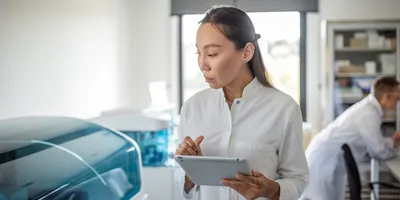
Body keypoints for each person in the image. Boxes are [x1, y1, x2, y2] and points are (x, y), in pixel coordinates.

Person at [173, 5, 309, 200]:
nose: (202, 64)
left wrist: (268, 189)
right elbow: (182, 182)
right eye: (198, 53)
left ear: (246, 52)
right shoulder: (192, 107)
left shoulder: (284, 109)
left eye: (211, 54)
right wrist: (189, 170)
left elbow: (297, 179)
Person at [301, 76, 400, 200]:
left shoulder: (369, 110)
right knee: (316, 196)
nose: (398, 99)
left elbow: (375, 141)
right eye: (398, 94)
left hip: (327, 157)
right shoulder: (368, 114)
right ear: (387, 96)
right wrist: (394, 149)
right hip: (325, 161)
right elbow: (378, 152)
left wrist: (393, 143)